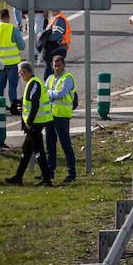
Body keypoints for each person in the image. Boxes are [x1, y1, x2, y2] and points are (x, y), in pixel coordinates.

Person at [6, 62, 52, 186]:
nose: (19, 75)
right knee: (26, 151)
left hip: (35, 123)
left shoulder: (34, 83)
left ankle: (47, 180)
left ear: (25, 71)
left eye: (20, 72)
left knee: (39, 152)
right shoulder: (31, 83)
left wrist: (29, 123)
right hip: (33, 123)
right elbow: (29, 103)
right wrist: (21, 108)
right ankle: (18, 177)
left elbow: (35, 105)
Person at [44, 55, 77, 183]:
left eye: (58, 65)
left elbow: (61, 93)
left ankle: (71, 173)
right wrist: (52, 93)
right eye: (54, 65)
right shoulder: (51, 78)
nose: (56, 68)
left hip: (62, 116)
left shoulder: (67, 78)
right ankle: (49, 171)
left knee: (65, 145)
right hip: (50, 115)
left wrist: (49, 93)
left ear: (63, 65)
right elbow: (44, 92)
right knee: (50, 144)